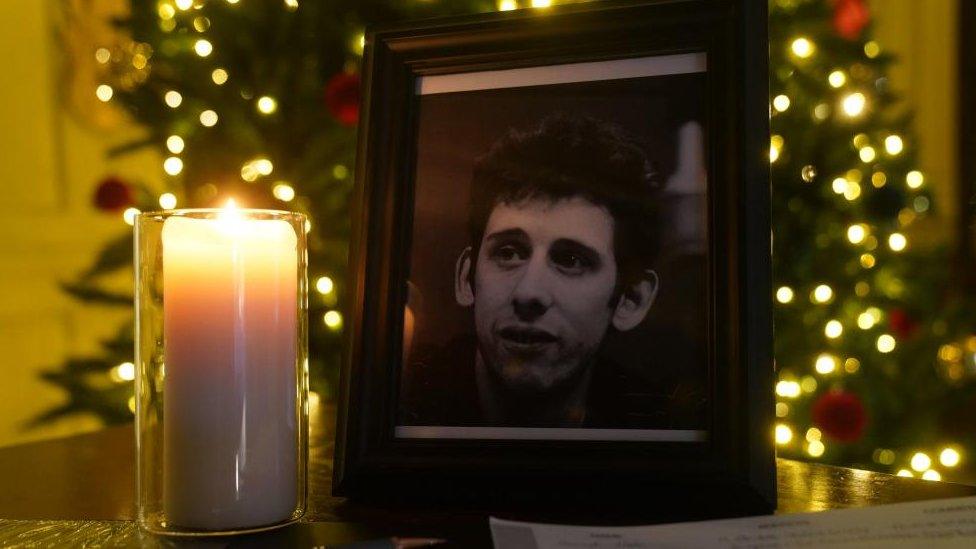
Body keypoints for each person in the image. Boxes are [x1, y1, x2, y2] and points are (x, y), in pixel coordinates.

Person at [400, 113, 665, 428]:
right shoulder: (400, 403)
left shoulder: (664, 426)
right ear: (466, 277)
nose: (528, 293)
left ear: (630, 298)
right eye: (508, 252)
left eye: (571, 260)